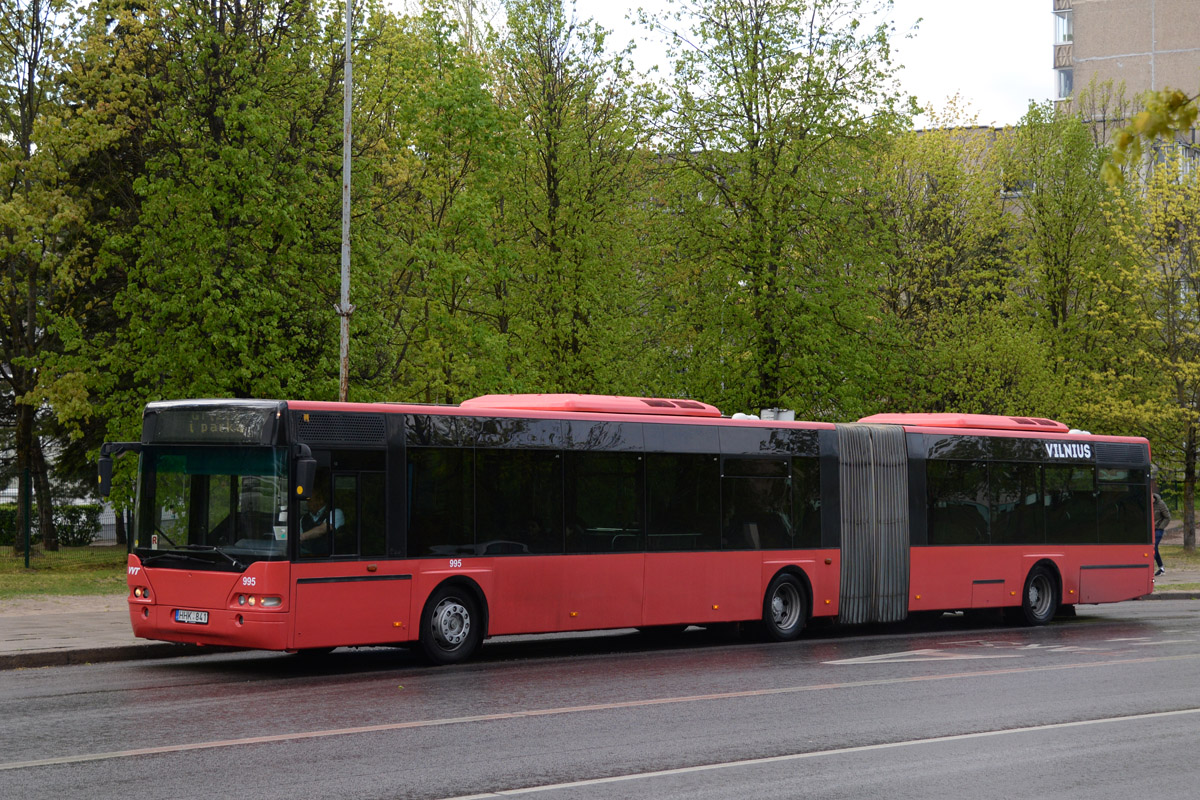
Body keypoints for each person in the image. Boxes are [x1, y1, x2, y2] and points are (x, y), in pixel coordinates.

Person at [300, 482, 344, 555]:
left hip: (329, 558)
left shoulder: (336, 513)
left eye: (310, 500)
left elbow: (323, 529)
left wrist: (302, 537)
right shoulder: (303, 519)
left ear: (320, 500)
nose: (307, 504)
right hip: (307, 557)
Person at [1153, 489, 1171, 577]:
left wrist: (1160, 527)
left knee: (1153, 546)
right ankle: (1161, 568)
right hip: (1149, 529)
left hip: (1158, 529)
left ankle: (1151, 567)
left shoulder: (1160, 504)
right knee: (1153, 548)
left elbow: (1167, 517)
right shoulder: (1147, 504)